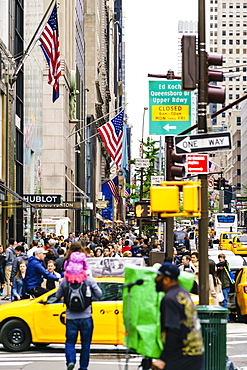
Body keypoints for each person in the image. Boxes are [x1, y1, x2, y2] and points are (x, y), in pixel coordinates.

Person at [152, 262, 204, 370]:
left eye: (158, 276)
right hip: (195, 352)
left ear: (166, 279)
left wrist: (163, 359)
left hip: (181, 355)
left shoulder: (169, 299)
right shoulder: (182, 292)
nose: (156, 279)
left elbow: (173, 330)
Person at [56, 262, 102, 370]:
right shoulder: (88, 279)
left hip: (71, 317)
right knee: (85, 344)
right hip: (86, 316)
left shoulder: (66, 281)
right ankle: (83, 367)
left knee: (70, 342)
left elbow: (58, 295)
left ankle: (71, 361)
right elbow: (99, 294)